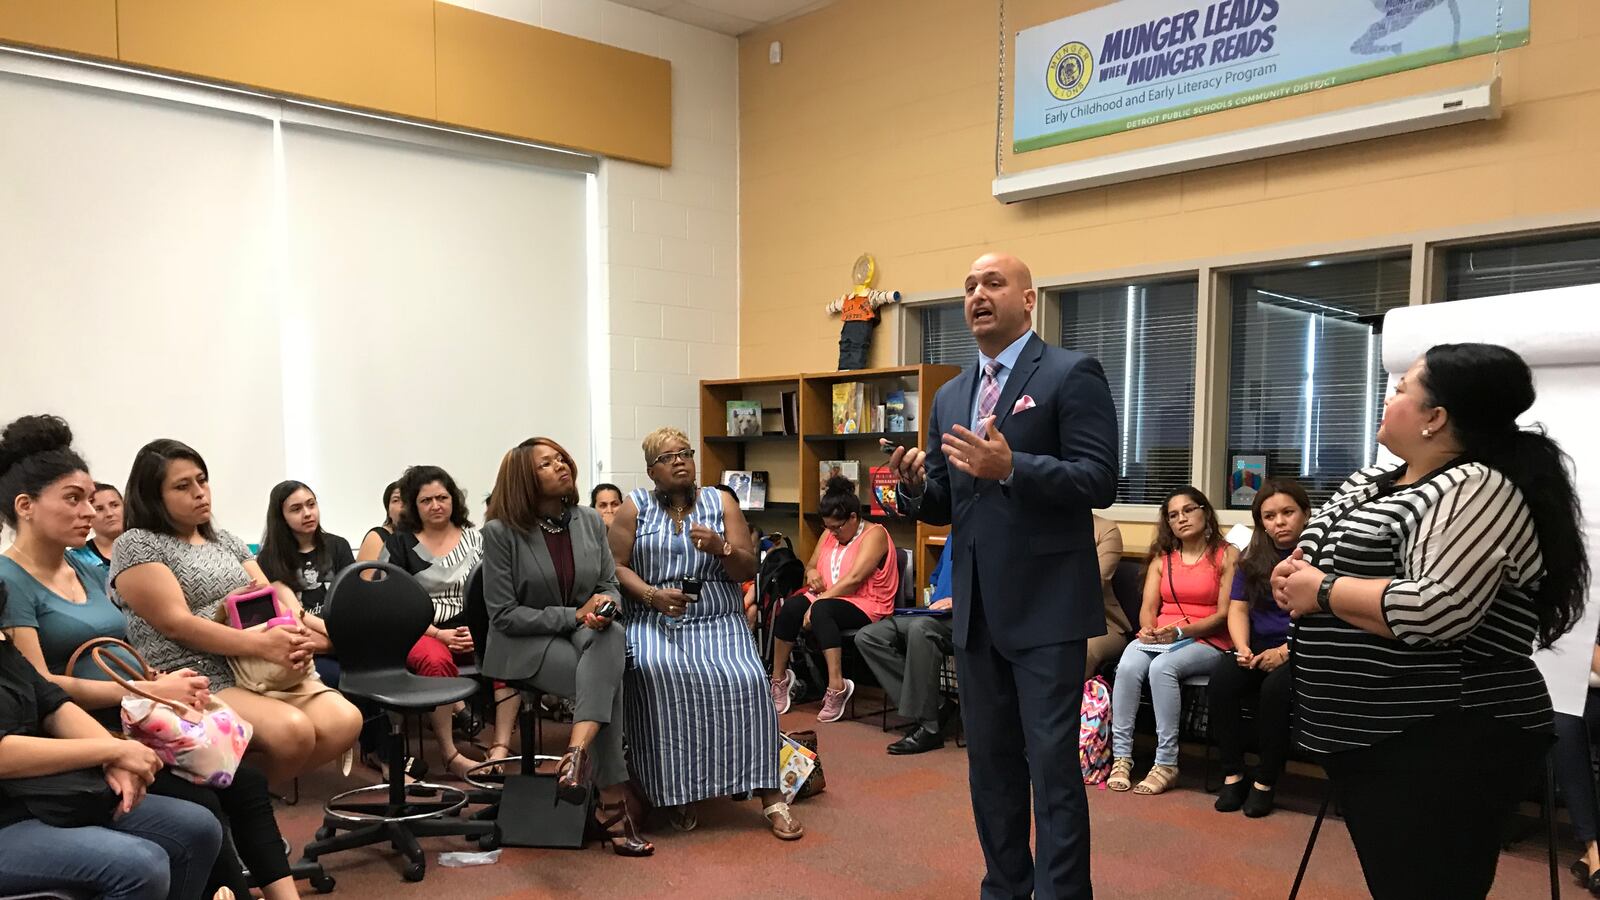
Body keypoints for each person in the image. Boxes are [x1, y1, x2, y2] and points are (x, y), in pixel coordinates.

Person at [1275, 343, 1589, 899]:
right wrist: (1295, 580)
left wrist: (1320, 591)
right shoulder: (1371, 482)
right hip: (1368, 732)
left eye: (1401, 391)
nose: (1388, 397)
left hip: (1447, 734)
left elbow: (1436, 609)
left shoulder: (1476, 486)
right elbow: (1318, 562)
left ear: (1435, 418)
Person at [883, 252, 1118, 898]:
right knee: (989, 770)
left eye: (993, 283)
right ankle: (1006, 889)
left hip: (1048, 611)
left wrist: (1014, 468)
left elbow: (1100, 480)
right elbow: (947, 502)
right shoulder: (954, 394)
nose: (977, 295)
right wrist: (912, 490)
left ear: (1028, 299)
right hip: (977, 613)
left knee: (1052, 772)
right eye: (968, 287)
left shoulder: (1073, 374)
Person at [0, 416, 299, 899]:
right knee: (202, 805)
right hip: (84, 733)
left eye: (91, 500)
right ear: (26, 507)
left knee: (243, 780)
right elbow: (42, 688)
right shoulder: (10, 582)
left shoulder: (85, 566)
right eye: (74, 500)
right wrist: (145, 692)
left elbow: (122, 651)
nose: (90, 513)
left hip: (133, 716)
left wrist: (161, 679)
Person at [109, 438, 362, 783]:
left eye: (202, 479)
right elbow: (176, 625)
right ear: (153, 497)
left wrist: (293, 638)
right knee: (294, 732)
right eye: (183, 486)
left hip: (253, 666)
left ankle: (248, 795)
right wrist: (261, 643)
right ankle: (243, 807)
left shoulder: (225, 539)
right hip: (193, 674)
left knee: (345, 721)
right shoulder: (137, 543)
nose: (200, 492)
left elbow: (268, 599)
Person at [608, 427, 803, 841]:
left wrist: (722, 548)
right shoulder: (634, 507)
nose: (679, 461)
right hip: (655, 617)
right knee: (655, 672)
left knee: (747, 680)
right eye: (667, 457)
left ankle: (771, 796)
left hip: (717, 618)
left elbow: (749, 569)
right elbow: (615, 566)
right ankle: (679, 792)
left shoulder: (721, 501)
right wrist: (651, 594)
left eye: (685, 453)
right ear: (651, 470)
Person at [481, 438, 651, 856]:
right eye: (546, 463)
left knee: (610, 637)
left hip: (589, 635)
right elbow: (503, 615)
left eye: (561, 458)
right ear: (524, 478)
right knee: (607, 686)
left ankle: (574, 756)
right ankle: (610, 799)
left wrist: (604, 607)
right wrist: (574, 615)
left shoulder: (590, 520)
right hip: (526, 644)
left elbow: (607, 585)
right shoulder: (501, 532)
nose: (561, 466)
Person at [1106, 487, 1236, 796]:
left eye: (1189, 510)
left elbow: (1224, 615)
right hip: (1162, 637)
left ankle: (1166, 763)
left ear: (1205, 512)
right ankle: (1122, 757)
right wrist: (1148, 630)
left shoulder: (1227, 554)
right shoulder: (1162, 559)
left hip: (1208, 640)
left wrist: (1180, 633)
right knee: (1128, 663)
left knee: (1161, 667)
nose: (1182, 519)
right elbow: (1149, 611)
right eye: (1173, 515)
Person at [379, 465, 505, 778]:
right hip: (419, 632)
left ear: (454, 500)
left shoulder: (479, 540)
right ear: (413, 506)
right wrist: (439, 634)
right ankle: (451, 754)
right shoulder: (398, 546)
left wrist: (481, 632)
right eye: (426, 500)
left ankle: (500, 747)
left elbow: (496, 591)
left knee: (508, 652)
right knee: (436, 661)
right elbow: (390, 604)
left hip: (473, 628)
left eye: (442, 497)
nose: (436, 505)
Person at [1208, 479, 1309, 818]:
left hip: (1301, 647)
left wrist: (1285, 652)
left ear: (1305, 514)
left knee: (1275, 690)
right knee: (1222, 680)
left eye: (1287, 512)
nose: (1279, 522)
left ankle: (1265, 780)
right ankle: (1233, 774)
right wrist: (1242, 648)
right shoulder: (1251, 557)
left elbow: (1323, 617)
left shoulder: (1319, 554)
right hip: (1257, 645)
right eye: (1269, 516)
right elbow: (1237, 609)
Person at [768, 475, 898, 723]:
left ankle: (837, 686)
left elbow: (855, 578)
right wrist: (813, 573)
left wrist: (818, 601)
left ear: (853, 518)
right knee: (792, 607)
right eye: (828, 527)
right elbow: (812, 565)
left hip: (868, 602)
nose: (833, 533)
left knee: (822, 610)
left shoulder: (875, 535)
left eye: (838, 527)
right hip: (829, 596)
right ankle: (779, 679)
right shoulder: (829, 533)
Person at [855, 537, 958, 754]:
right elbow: (937, 577)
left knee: (920, 630)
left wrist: (957, 600)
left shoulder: (989, 531)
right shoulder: (954, 533)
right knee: (869, 636)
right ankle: (937, 704)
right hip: (934, 612)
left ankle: (929, 728)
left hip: (964, 616)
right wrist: (932, 601)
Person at [255, 481, 353, 680]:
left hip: (345, 635)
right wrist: (333, 638)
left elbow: (352, 601)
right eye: (296, 509)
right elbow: (287, 619)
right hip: (307, 644)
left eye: (311, 504)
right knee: (335, 677)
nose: (308, 513)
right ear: (281, 517)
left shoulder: (338, 546)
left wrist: (342, 636)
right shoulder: (269, 559)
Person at [1084, 515, 1130, 678]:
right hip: (1044, 620)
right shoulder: (1040, 525)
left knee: (1077, 652)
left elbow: (1091, 587)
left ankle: (1076, 703)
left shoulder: (1104, 529)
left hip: (1101, 625)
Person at [67, 481, 123, 579]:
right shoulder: (76, 559)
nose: (109, 513)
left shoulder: (148, 545)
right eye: (99, 509)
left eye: (114, 505)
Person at [355, 481, 403, 562]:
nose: (403, 505)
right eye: (396, 500)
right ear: (388, 510)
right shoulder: (378, 537)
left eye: (408, 499)